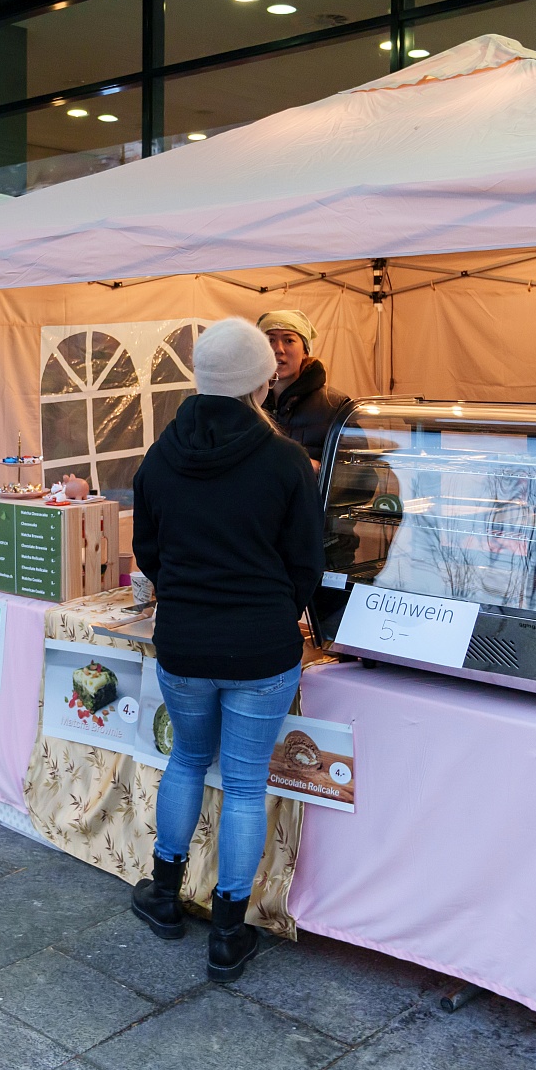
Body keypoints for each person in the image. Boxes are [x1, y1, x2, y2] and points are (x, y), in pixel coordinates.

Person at [127, 316, 325, 980]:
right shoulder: (285, 460)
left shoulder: (161, 455)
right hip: (261, 646)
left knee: (186, 759)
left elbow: (148, 551)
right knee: (243, 783)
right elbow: (307, 562)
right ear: (260, 383)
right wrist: (274, 610)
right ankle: (228, 932)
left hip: (184, 641)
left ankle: (163, 893)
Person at [257, 309, 351, 466]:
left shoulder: (335, 406)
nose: (278, 349)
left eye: (289, 340)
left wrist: (316, 468)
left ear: (305, 351)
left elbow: (357, 472)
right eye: (270, 340)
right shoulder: (248, 403)